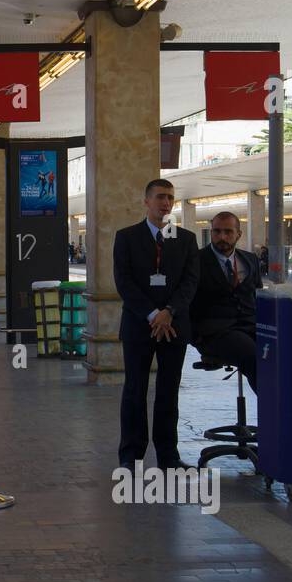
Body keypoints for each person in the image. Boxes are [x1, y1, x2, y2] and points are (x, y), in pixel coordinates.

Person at [113, 178, 200, 470]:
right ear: (146, 201)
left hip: (174, 327)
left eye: (170, 198)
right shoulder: (126, 237)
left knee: (168, 391)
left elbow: (190, 282)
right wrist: (153, 314)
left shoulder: (186, 239)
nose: (166, 203)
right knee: (134, 390)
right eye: (160, 197)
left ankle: (168, 456)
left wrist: (169, 312)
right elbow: (124, 283)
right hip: (140, 326)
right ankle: (131, 456)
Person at [191, 212, 262, 393]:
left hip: (250, 325)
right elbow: (185, 300)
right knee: (254, 356)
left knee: (284, 351)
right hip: (215, 332)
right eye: (217, 231)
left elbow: (259, 296)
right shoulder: (195, 260)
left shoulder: (250, 260)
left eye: (228, 232)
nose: (222, 237)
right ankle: (274, 410)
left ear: (239, 234)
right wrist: (194, 336)